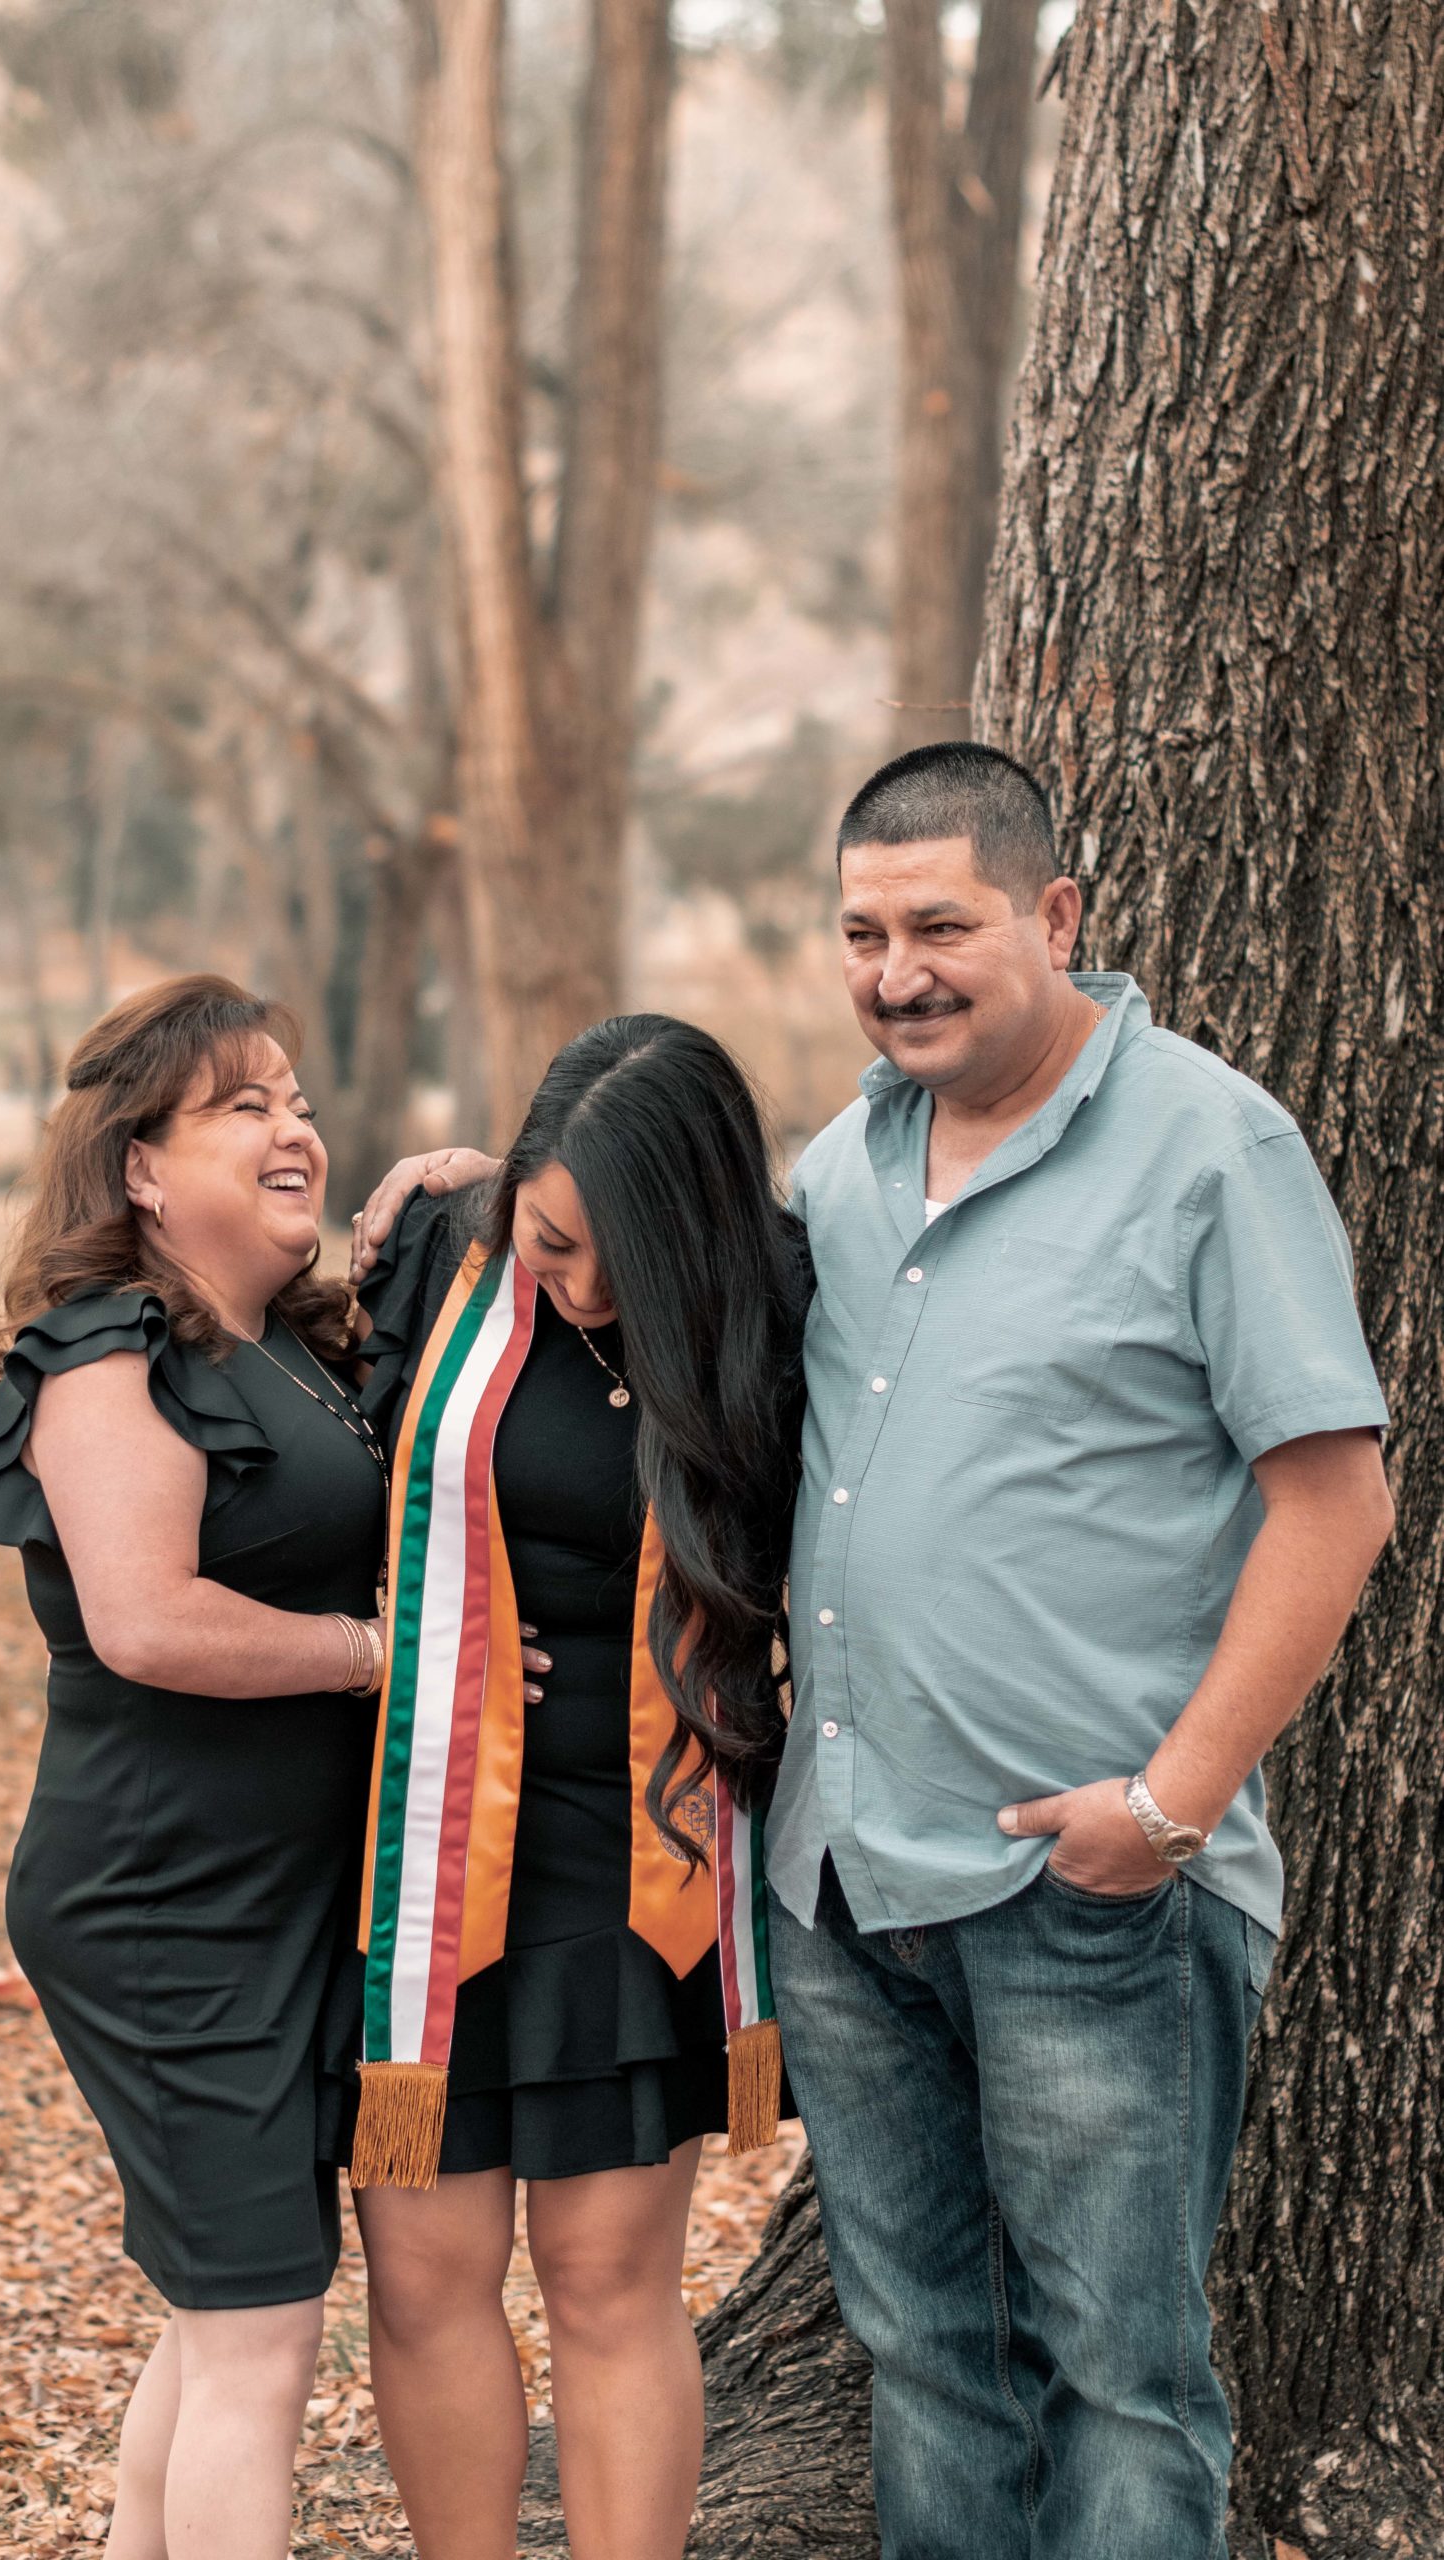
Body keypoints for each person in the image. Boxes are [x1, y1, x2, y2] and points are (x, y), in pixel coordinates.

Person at [763, 744, 1393, 2559]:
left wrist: (1169, 1808)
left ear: (1055, 916)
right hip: (848, 1879)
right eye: (864, 933)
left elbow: (1335, 1502)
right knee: (919, 2356)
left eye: (942, 924)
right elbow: (654, 1289)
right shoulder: (846, 1165)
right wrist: (508, 1186)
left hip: (1091, 1889)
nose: (898, 972)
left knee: (1118, 2375)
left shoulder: (1211, 1144)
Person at [0, 975, 412, 2560]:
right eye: (242, 1106)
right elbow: (150, 1621)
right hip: (164, 1903)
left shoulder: (282, 1347)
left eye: (295, 1098)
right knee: (260, 2335)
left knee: (225, 2312)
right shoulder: (108, 1354)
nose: (293, 1128)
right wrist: (381, 1655)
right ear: (140, 1165)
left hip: (276, 1896)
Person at [344, 1014, 809, 2560]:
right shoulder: (431, 1254)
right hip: (424, 1844)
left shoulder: (776, 1305)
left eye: (622, 1257)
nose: (582, 1285)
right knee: (421, 2273)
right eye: (550, 1236)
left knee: (609, 2282)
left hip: (640, 1858)